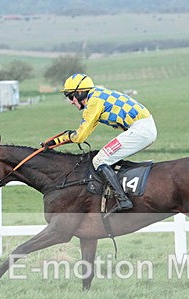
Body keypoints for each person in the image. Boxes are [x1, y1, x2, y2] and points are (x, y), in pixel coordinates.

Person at [43, 74, 157, 213]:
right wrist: (57, 141)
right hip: (142, 127)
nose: (71, 102)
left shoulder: (94, 102)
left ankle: (122, 200)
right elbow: (87, 129)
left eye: (70, 96)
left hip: (140, 130)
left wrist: (55, 142)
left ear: (80, 93)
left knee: (100, 160)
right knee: (107, 157)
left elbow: (79, 136)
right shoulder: (97, 96)